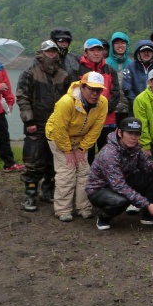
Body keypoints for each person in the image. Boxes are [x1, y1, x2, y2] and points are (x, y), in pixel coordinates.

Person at [86, 117, 153, 230]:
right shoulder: (109, 154)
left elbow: (146, 165)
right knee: (121, 200)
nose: (133, 137)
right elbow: (119, 186)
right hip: (99, 189)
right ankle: (103, 216)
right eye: (130, 133)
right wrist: (146, 203)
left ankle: (148, 215)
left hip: (124, 181)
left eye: (137, 134)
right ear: (120, 132)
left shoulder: (136, 148)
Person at [45, 72, 108, 222]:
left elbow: (96, 129)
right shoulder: (66, 102)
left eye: (98, 90)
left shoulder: (103, 103)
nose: (95, 93)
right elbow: (59, 129)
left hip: (80, 139)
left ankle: (83, 207)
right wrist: (67, 151)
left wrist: (81, 149)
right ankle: (63, 209)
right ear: (82, 86)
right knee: (67, 171)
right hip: (58, 137)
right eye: (91, 89)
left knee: (84, 171)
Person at [16, 40, 70, 212]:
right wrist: (29, 121)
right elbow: (22, 97)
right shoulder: (30, 72)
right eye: (48, 51)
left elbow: (70, 99)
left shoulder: (63, 74)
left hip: (57, 124)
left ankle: (47, 191)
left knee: (53, 160)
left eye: (54, 51)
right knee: (33, 160)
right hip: (37, 123)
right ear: (41, 52)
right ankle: (30, 194)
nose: (51, 54)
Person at [78, 38, 121, 162]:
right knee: (87, 152)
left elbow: (115, 93)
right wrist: (91, 110)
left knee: (107, 152)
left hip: (107, 119)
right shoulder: (79, 70)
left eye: (99, 50)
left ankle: (106, 179)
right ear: (85, 53)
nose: (96, 53)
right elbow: (77, 93)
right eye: (92, 50)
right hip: (86, 119)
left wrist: (104, 109)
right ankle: (88, 179)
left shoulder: (110, 70)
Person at [123, 39, 153, 110]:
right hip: (135, 107)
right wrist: (138, 103)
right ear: (138, 52)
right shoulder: (130, 67)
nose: (146, 53)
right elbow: (127, 88)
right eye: (143, 51)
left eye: (149, 51)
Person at [104, 31, 132, 117]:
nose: (120, 45)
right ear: (112, 45)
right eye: (116, 43)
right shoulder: (105, 63)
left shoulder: (132, 64)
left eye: (123, 43)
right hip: (110, 109)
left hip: (129, 108)